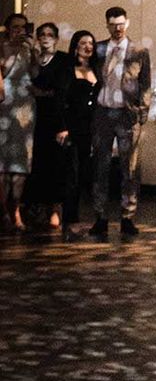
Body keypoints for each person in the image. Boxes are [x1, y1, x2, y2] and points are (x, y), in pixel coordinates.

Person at [89, 6, 151, 239]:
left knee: (130, 168)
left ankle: (127, 217)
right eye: (113, 25)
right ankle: (100, 216)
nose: (117, 29)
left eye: (121, 24)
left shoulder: (139, 51)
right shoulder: (99, 49)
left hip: (127, 115)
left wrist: (142, 112)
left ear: (128, 23)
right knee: (100, 166)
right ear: (107, 25)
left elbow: (145, 83)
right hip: (103, 113)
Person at [26, 22, 72, 231]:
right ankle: (38, 207)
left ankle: (55, 208)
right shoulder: (34, 59)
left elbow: (61, 90)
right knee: (37, 163)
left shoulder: (63, 60)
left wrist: (43, 93)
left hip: (55, 117)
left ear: (56, 38)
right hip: (33, 117)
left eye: (50, 34)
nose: (45, 38)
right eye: (42, 35)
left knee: (56, 163)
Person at [61, 30, 99, 238]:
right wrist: (62, 127)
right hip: (73, 127)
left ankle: (85, 218)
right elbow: (61, 100)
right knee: (72, 174)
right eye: (83, 43)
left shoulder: (96, 69)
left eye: (91, 43)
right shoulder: (68, 69)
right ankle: (70, 220)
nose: (88, 46)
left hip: (91, 128)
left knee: (86, 173)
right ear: (75, 47)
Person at [0, 13, 35, 234]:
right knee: (3, 161)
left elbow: (36, 74)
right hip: (5, 102)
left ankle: (17, 210)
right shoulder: (1, 48)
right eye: (15, 27)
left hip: (25, 105)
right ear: (7, 29)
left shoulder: (28, 50)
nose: (19, 31)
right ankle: (4, 211)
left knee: (22, 159)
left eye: (23, 27)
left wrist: (32, 51)